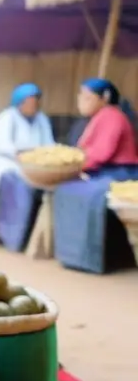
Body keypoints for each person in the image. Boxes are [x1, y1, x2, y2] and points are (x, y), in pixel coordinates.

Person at [53, 79, 138, 274]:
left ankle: (88, 256)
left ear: (104, 99)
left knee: (83, 194)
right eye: (80, 96)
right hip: (101, 170)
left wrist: (76, 166)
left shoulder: (113, 117)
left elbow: (102, 153)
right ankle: (73, 253)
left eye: (87, 97)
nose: (81, 101)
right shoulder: (99, 116)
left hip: (119, 173)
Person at [0, 83, 54, 239]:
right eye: (30, 101)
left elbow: (48, 142)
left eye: (36, 101)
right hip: (5, 158)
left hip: (35, 161)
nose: (34, 105)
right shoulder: (7, 116)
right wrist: (19, 154)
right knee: (1, 176)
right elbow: (2, 143)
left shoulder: (42, 119)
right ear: (20, 102)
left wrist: (47, 155)